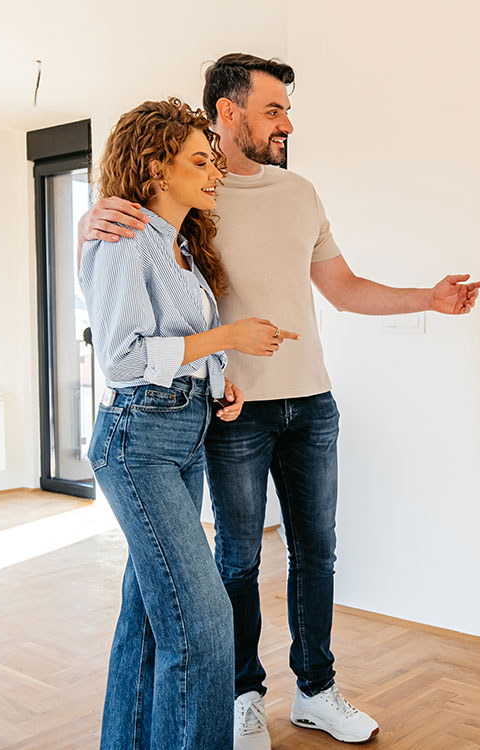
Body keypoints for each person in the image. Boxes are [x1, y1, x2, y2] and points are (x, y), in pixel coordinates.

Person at [79, 54, 480, 749]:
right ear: (228, 111)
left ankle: (316, 691)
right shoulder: (186, 201)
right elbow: (128, 287)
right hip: (218, 418)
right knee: (231, 564)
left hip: (301, 404)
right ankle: (242, 696)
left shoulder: (296, 194)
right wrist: (94, 216)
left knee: (314, 553)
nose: (287, 124)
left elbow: (344, 287)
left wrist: (428, 298)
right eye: (273, 109)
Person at [81, 97, 300, 750]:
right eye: (200, 161)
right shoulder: (123, 237)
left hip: (184, 436)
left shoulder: (176, 245)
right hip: (138, 442)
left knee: (148, 619)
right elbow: (121, 358)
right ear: (154, 169)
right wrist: (227, 336)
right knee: (202, 625)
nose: (215, 173)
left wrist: (217, 380)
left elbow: (173, 343)